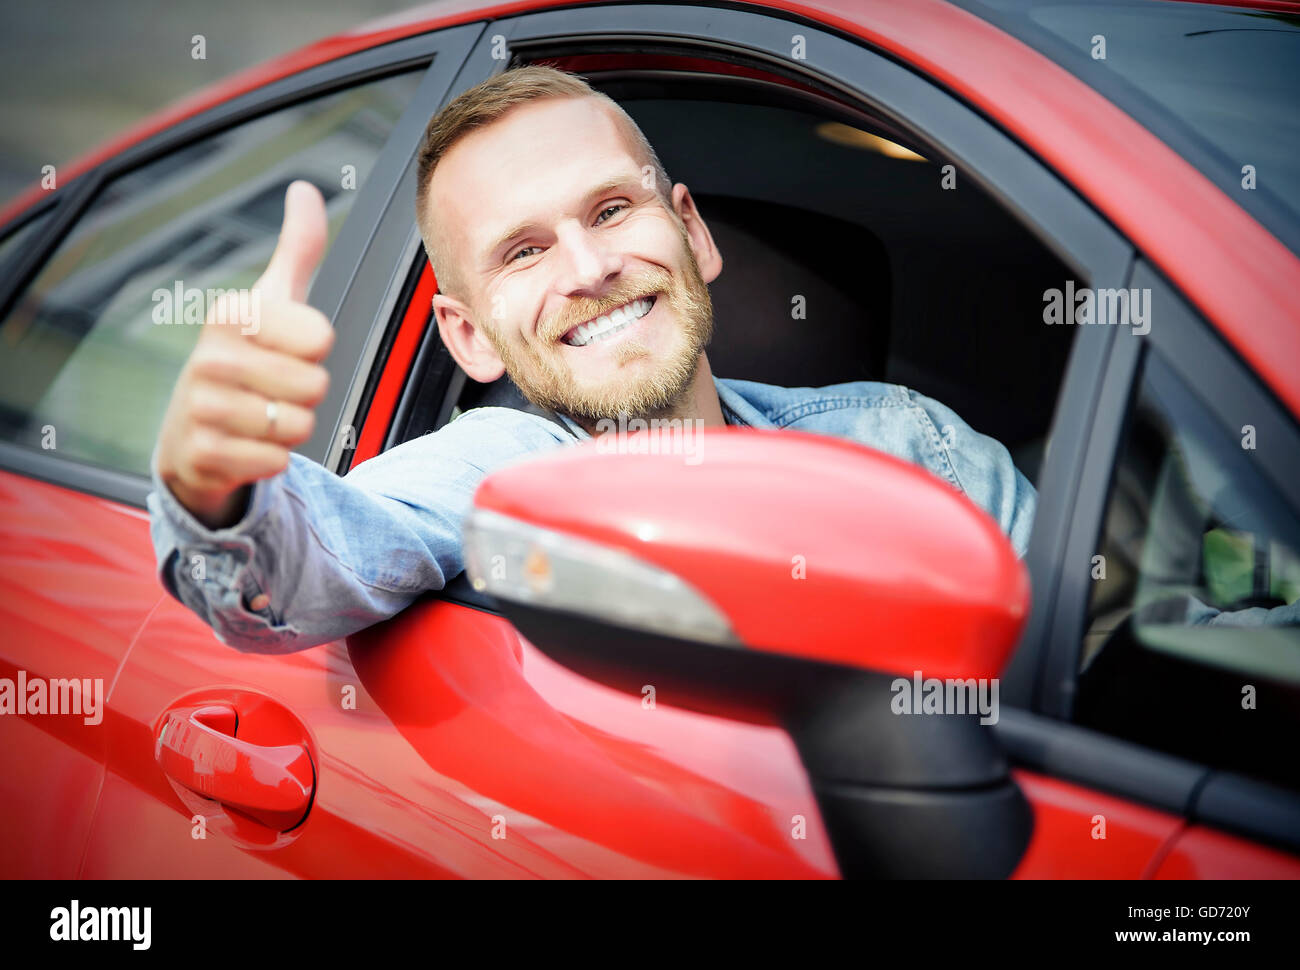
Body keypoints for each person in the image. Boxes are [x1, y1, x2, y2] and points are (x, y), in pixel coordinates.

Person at [148, 66, 1036, 653]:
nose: (589, 268)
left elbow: (1117, 668)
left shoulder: (910, 442)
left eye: (611, 210)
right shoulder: (493, 477)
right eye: (523, 253)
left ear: (690, 231)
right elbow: (308, 568)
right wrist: (215, 485)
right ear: (470, 336)